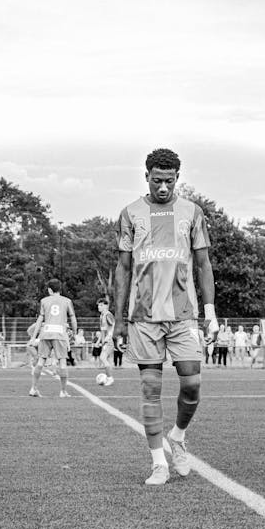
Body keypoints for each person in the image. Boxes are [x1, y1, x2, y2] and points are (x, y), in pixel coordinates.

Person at [113, 147, 218, 486]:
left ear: (177, 178)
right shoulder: (130, 213)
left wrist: (210, 312)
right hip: (143, 317)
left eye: (168, 181)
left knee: (192, 385)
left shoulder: (192, 212)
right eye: (156, 180)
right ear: (146, 176)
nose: (162, 187)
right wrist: (118, 319)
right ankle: (159, 462)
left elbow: (203, 264)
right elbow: (123, 268)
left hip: (184, 314)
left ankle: (178, 436)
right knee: (150, 388)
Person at [29, 279, 77, 398]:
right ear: (60, 289)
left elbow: (40, 319)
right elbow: (72, 317)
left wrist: (34, 337)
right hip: (60, 334)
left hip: (46, 333)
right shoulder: (67, 301)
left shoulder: (44, 301)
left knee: (41, 361)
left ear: (50, 289)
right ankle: (63, 391)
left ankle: (33, 389)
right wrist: (75, 334)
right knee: (62, 361)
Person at [97, 297, 116, 385]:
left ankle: (110, 378)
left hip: (108, 341)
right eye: (98, 305)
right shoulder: (102, 316)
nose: (99, 307)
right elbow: (102, 331)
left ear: (106, 306)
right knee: (105, 360)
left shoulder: (108, 315)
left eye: (101, 305)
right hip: (104, 341)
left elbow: (113, 325)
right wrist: (98, 341)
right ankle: (108, 377)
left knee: (102, 358)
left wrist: (109, 336)